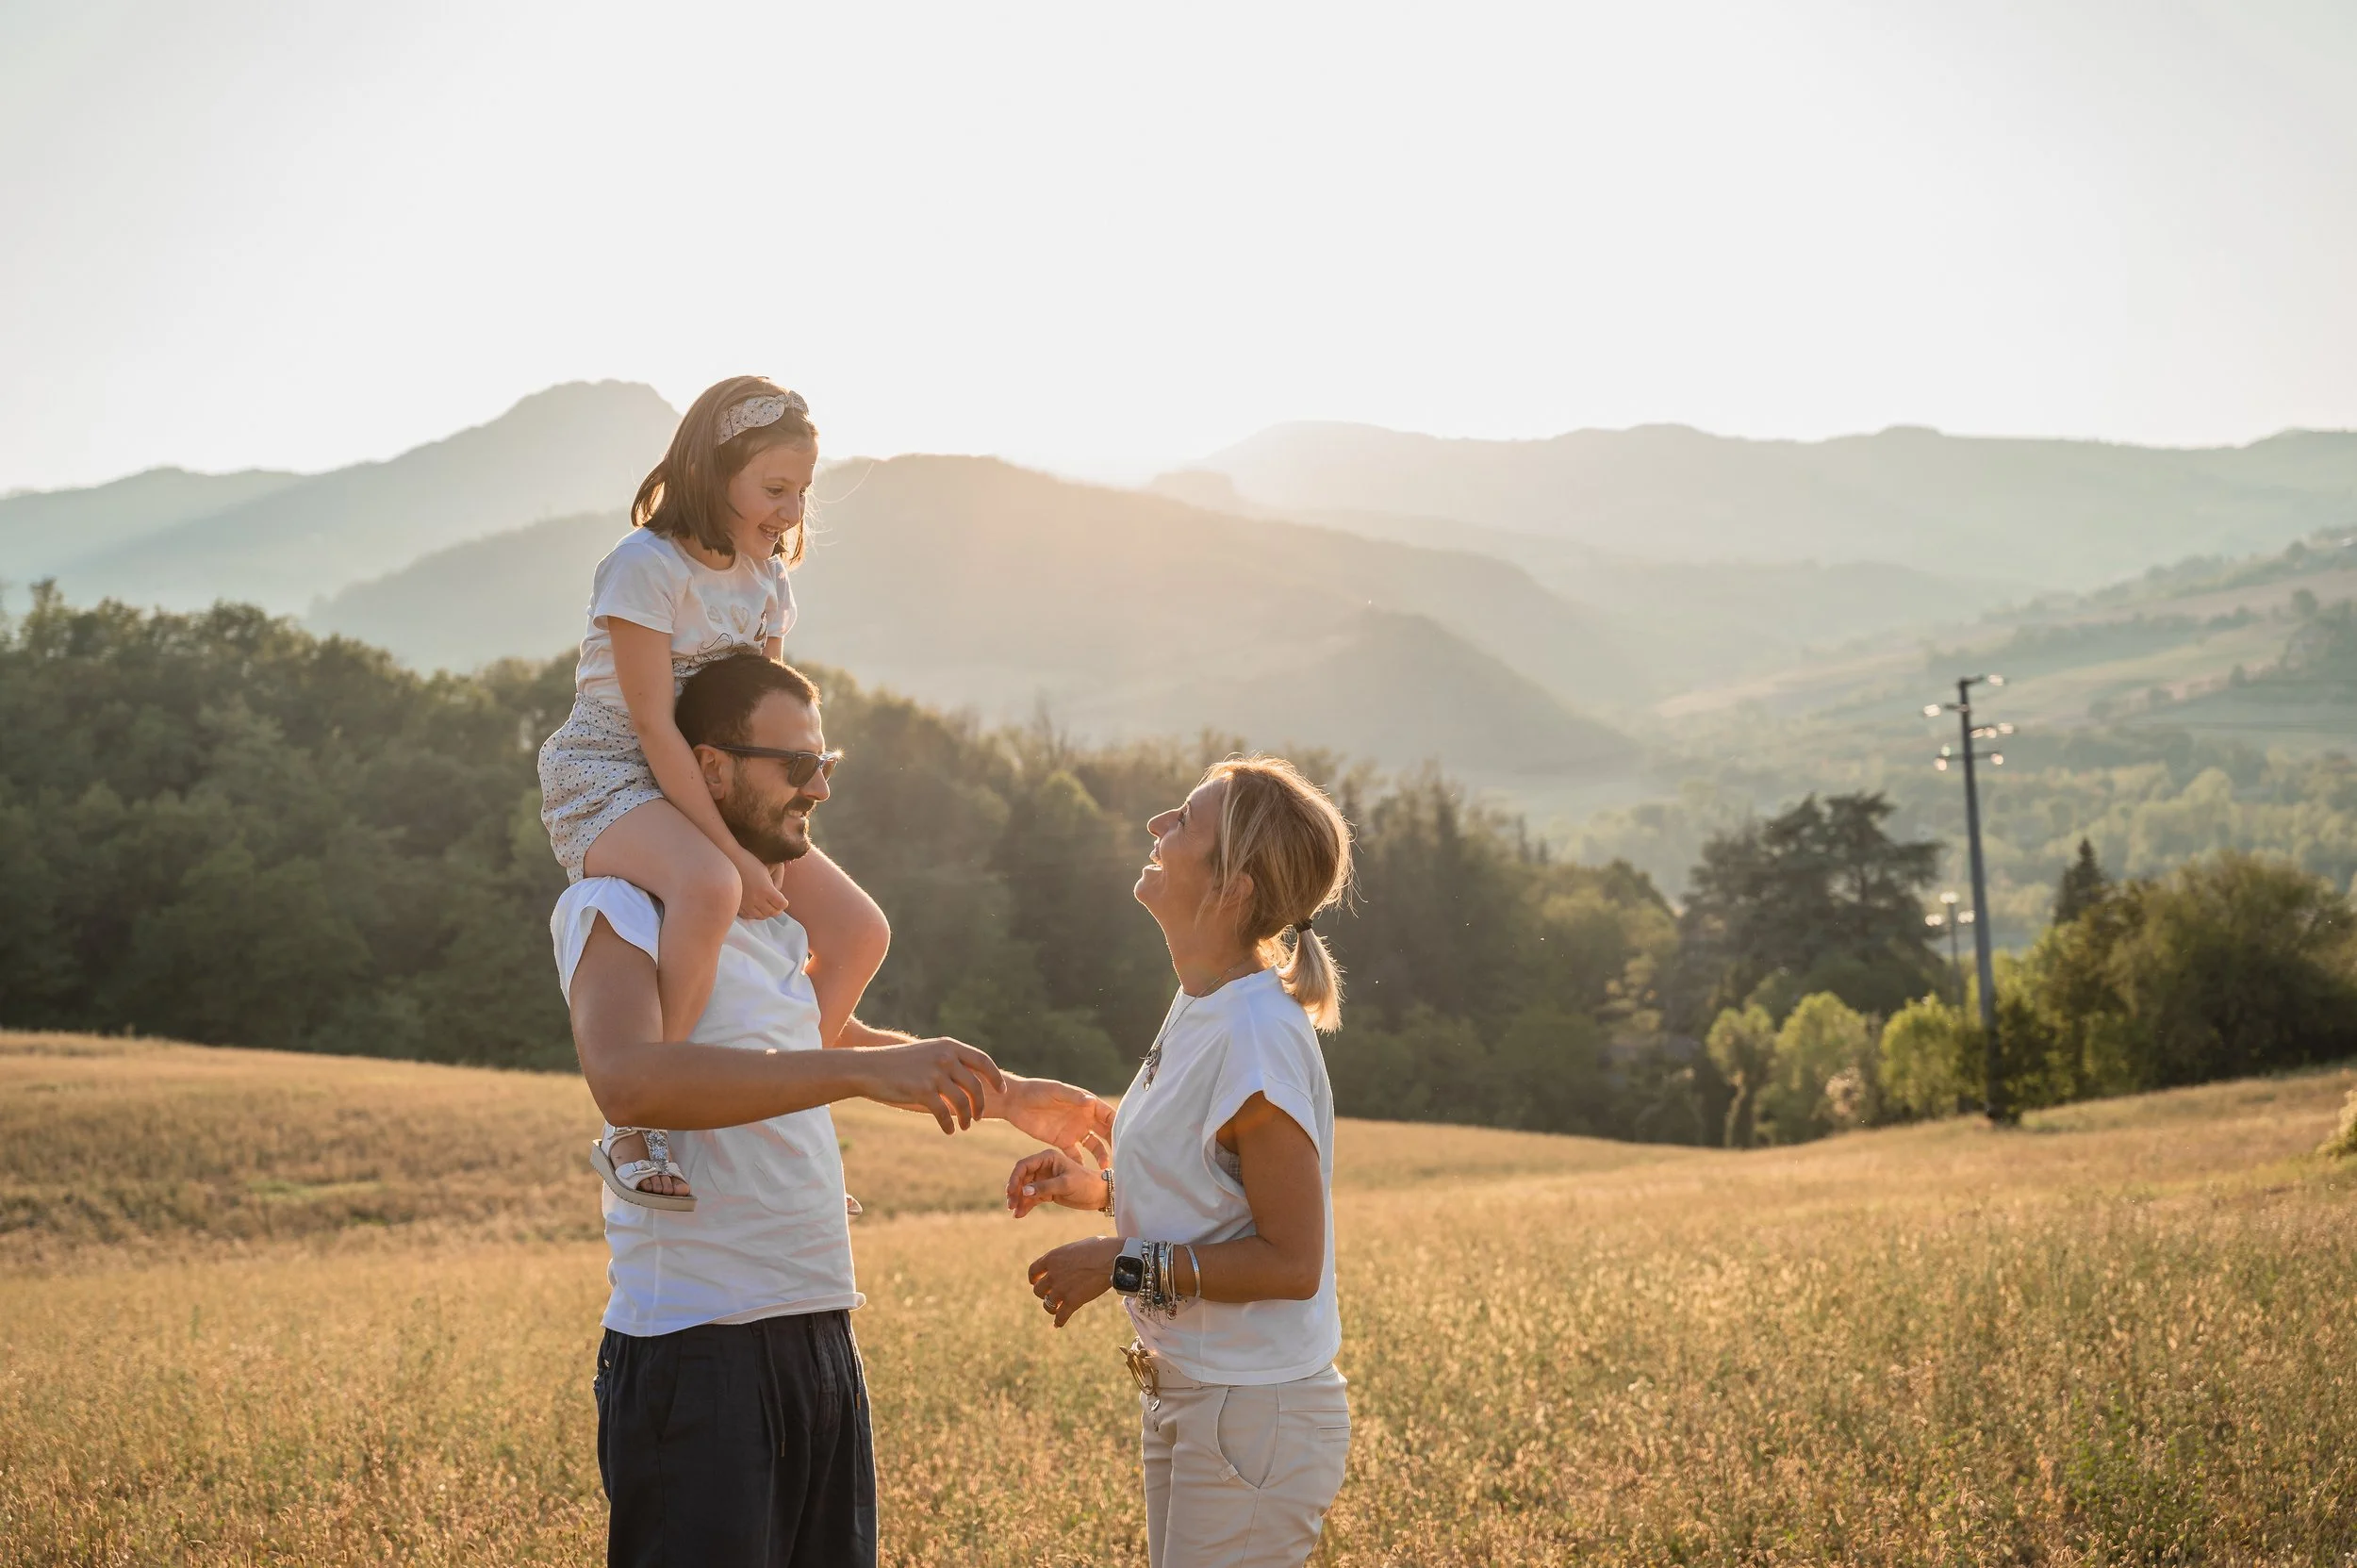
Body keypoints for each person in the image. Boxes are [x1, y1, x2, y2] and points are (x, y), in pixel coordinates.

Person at [557, 652, 1109, 1567]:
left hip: (817, 1328)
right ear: (711, 768)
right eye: (794, 767)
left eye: (827, 766)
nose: (817, 790)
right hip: (697, 1347)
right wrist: (847, 1078)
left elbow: (821, 1040)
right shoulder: (615, 902)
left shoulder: (764, 922)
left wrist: (1006, 1096)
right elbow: (629, 1081)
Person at [539, 376, 890, 1210]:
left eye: (802, 491)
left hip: (719, 780)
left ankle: (780, 1118)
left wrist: (767, 819)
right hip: (611, 775)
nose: (792, 510)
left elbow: (758, 708)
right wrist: (734, 850)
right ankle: (644, 1120)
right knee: (709, 886)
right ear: (712, 468)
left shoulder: (768, 579)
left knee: (857, 930)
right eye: (775, 489)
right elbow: (655, 729)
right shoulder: (643, 567)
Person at [1008, 756, 1356, 1568]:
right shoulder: (1204, 998)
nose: (1158, 826)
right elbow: (1216, 1187)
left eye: (1184, 821)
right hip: (1194, 1393)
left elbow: (1292, 1260)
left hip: (1249, 1413)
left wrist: (1121, 1262)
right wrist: (1101, 1190)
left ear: (1231, 887)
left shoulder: (1256, 1038)